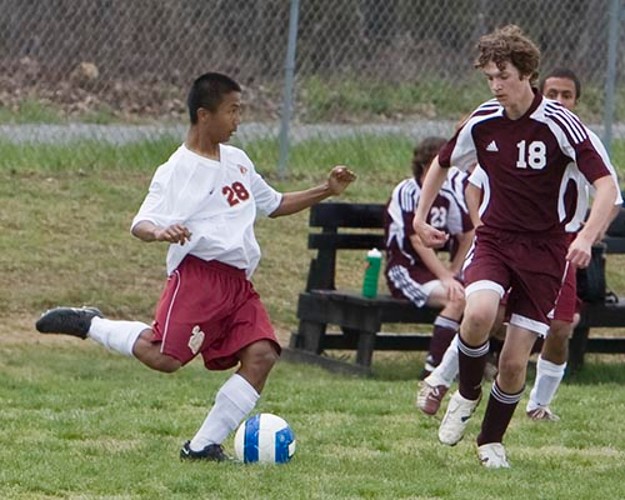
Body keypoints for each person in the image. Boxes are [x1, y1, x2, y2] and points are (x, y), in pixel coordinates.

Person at [35, 72, 356, 462]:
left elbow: (274, 204)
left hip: (238, 284)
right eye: (232, 111)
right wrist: (160, 231)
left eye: (239, 110)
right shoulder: (177, 169)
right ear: (205, 115)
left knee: (262, 354)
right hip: (198, 278)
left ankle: (202, 446)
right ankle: (91, 324)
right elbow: (141, 222)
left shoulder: (238, 161)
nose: (238, 120)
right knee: (164, 357)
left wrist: (326, 190)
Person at [413, 25, 617, 468]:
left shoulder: (561, 125)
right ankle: (467, 393)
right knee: (478, 313)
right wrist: (420, 216)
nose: (495, 85)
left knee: (512, 362)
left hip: (546, 251)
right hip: (496, 239)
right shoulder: (484, 119)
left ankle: (490, 442)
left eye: (502, 76)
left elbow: (606, 185)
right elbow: (442, 163)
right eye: (489, 77)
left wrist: (585, 236)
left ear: (526, 73)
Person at [526, 67, 622, 420]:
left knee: (561, 326)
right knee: (491, 315)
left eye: (567, 95)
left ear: (576, 101)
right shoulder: (521, 131)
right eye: (552, 94)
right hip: (516, 240)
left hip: (561, 243)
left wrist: (590, 234)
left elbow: (612, 196)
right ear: (539, 94)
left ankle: (538, 404)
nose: (559, 101)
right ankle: (455, 378)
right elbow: (477, 183)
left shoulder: (583, 140)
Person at [384, 137, 474, 382]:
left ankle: (470, 364)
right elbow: (416, 239)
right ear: (426, 164)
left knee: (478, 301)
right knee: (457, 298)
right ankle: (433, 369)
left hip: (433, 273)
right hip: (405, 269)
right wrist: (446, 276)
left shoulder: (447, 194)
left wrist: (455, 270)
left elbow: (468, 233)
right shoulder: (407, 190)